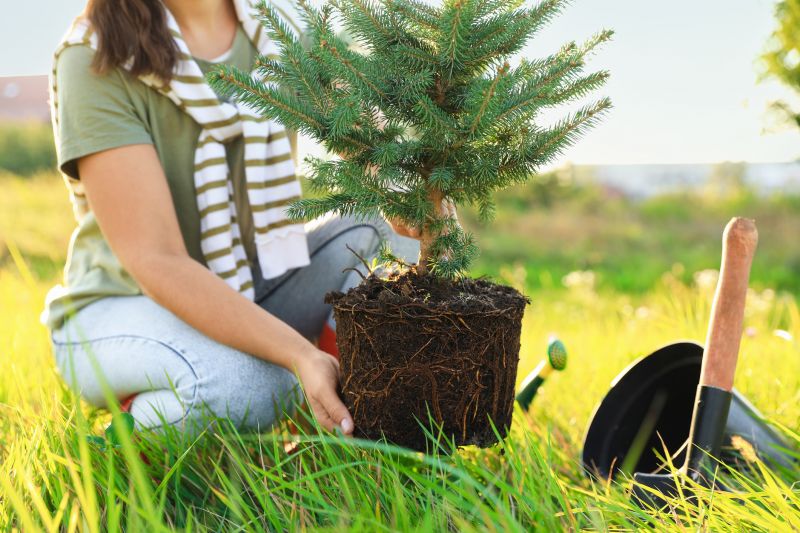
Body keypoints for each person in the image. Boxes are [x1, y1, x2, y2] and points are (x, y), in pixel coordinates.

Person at [44, 0, 420, 436]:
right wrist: (299, 355)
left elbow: (369, 142)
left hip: (248, 287)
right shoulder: (95, 53)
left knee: (384, 217)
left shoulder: (283, 28)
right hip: (121, 307)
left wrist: (414, 198)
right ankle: (127, 450)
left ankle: (354, 429)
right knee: (251, 385)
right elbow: (156, 260)